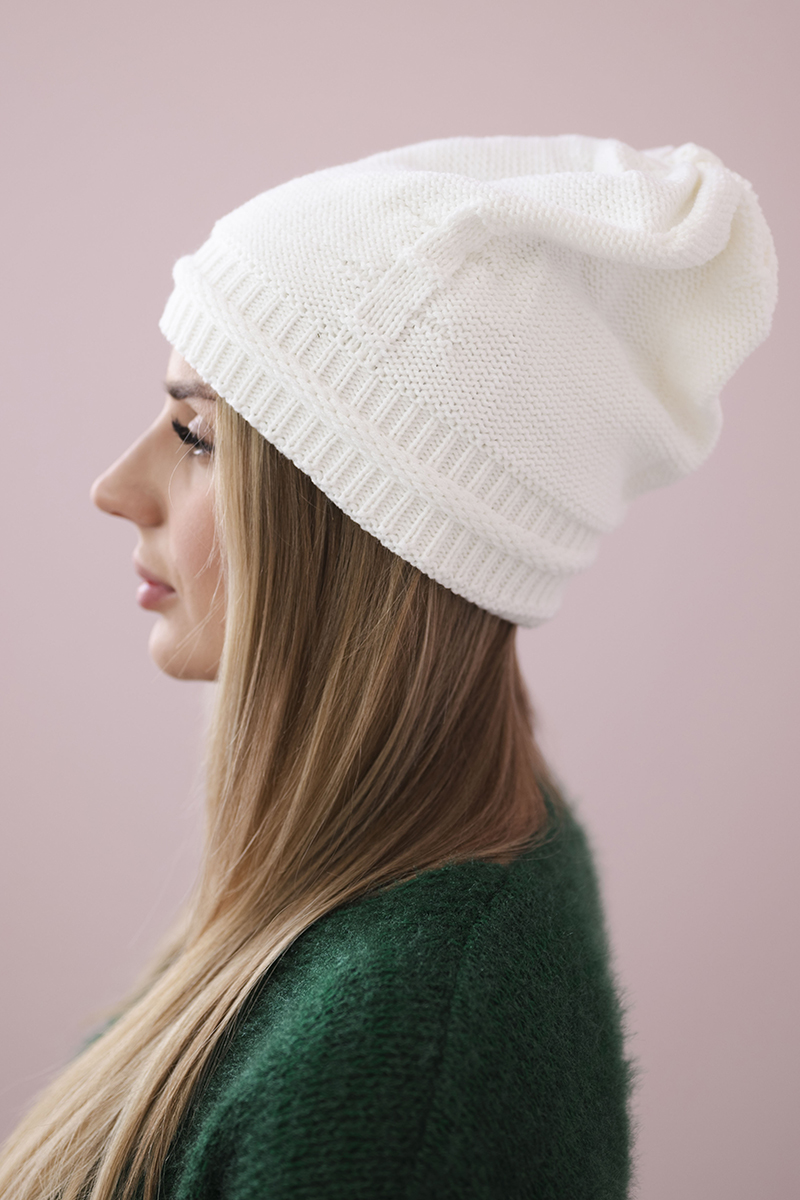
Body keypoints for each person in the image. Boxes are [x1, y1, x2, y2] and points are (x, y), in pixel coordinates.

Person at [0, 135, 776, 1200]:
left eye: (196, 436)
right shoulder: (433, 869)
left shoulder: (393, 1069)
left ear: (363, 525)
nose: (114, 487)